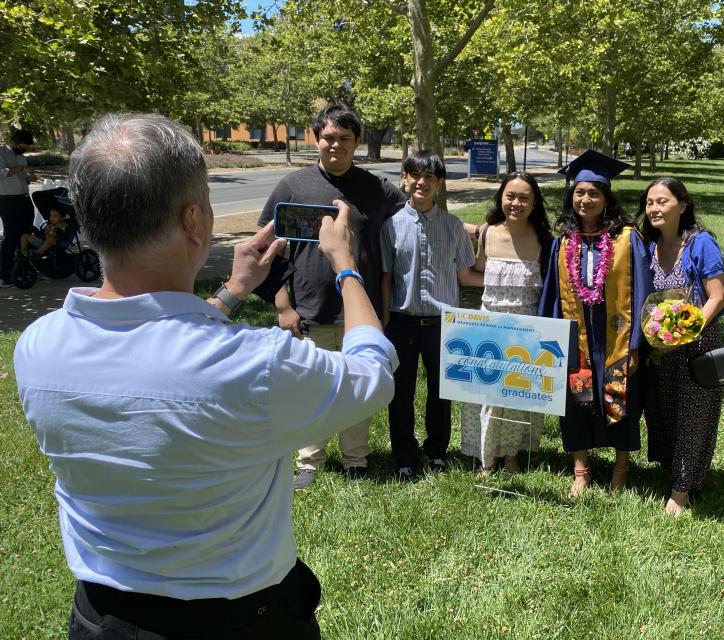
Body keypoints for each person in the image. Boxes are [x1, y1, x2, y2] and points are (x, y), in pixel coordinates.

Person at [14, 113, 397, 639]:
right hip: (240, 619)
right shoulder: (259, 364)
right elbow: (371, 372)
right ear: (194, 220)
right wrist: (345, 264)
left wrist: (233, 292)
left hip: (99, 616)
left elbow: (159, 350)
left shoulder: (37, 346)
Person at [257, 103, 407, 488]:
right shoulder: (292, 187)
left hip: (362, 309)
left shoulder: (378, 190)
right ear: (316, 139)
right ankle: (309, 460)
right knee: (312, 386)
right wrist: (283, 306)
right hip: (311, 307)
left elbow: (416, 220)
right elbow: (264, 250)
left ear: (356, 142)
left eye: (344, 138)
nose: (335, 144)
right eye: (327, 137)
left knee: (357, 385)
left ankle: (357, 458)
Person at [539, 150, 653, 498]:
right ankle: (581, 469)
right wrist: (550, 341)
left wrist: (635, 344)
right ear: (571, 197)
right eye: (579, 192)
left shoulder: (627, 240)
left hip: (617, 335)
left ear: (606, 199)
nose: (585, 199)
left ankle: (621, 466)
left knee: (623, 398)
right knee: (576, 399)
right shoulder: (562, 244)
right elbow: (552, 296)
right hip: (576, 336)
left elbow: (643, 293)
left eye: (594, 193)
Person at [380, 150, 483, 481]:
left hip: (443, 324)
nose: (421, 182)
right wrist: (382, 320)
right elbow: (386, 277)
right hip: (401, 321)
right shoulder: (391, 227)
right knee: (401, 392)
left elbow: (467, 276)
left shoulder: (454, 227)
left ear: (439, 184)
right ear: (405, 178)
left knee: (442, 392)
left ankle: (437, 451)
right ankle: (405, 457)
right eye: (415, 175)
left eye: (430, 177)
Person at [640, 177, 724, 516]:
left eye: (662, 201)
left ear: (683, 205)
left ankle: (681, 490)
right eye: (649, 202)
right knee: (663, 412)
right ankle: (673, 471)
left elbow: (717, 297)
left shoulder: (700, 244)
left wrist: (685, 332)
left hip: (696, 346)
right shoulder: (649, 245)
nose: (654, 209)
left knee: (694, 416)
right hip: (661, 349)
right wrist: (661, 336)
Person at [460, 173, 552, 475]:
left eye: (524, 197)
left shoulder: (543, 240)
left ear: (534, 202)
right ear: (501, 197)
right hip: (489, 327)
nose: (516, 203)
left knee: (516, 398)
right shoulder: (487, 233)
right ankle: (487, 459)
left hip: (526, 330)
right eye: (510, 196)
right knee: (488, 398)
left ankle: (512, 455)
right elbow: (475, 274)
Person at [1, 130, 37, 287]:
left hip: (24, 199)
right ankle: (5, 275)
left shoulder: (22, 157)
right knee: (11, 237)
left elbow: (22, 178)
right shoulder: (1, 153)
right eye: (22, 146)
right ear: (14, 142)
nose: (24, 150)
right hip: (8, 201)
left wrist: (30, 177)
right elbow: (4, 173)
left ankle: (24, 269)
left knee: (26, 234)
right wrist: (22, 168)